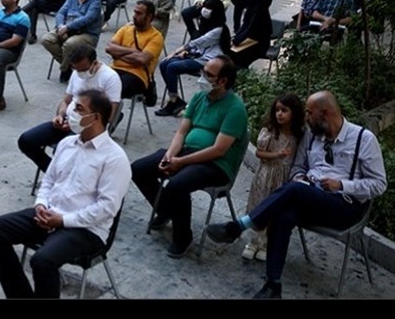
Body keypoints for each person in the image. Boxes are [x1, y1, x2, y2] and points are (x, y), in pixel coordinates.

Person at [206, 91, 387, 299]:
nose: (306, 118)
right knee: (283, 214)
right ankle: (273, 285)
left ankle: (239, 226)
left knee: (295, 189)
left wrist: (342, 185)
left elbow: (379, 184)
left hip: (345, 206)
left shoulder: (364, 139)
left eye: (309, 113)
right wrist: (302, 179)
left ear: (325, 113)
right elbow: (298, 168)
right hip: (310, 197)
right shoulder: (311, 135)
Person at [0, 89, 131, 299]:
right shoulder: (67, 143)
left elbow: (106, 208)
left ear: (95, 118)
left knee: (42, 261)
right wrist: (41, 205)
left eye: (79, 108)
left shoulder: (114, 158)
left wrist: (62, 220)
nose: (71, 112)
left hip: (86, 230)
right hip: (50, 214)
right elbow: (49, 181)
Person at [131, 55, 248, 258]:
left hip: (216, 164)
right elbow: (182, 132)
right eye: (203, 71)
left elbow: (219, 150)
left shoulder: (235, 108)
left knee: (177, 184)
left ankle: (182, 237)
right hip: (186, 152)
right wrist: (170, 156)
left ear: (223, 81)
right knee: (139, 169)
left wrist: (180, 162)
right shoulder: (199, 97)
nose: (202, 77)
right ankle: (166, 210)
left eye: (208, 74)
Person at [18, 46, 121, 172]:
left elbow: (108, 116)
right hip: (67, 121)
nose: (79, 72)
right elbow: (66, 100)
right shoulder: (77, 73)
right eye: (76, 69)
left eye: (83, 69)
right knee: (26, 141)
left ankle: (61, 175)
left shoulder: (110, 78)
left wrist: (78, 124)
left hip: (87, 129)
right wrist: (60, 115)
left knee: (62, 152)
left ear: (94, 63)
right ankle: (53, 172)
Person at [241, 94, 305, 262]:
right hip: (266, 174)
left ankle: (266, 243)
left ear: (294, 112)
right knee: (260, 204)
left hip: (284, 178)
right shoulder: (270, 131)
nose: (279, 114)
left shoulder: (298, 135)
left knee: (275, 209)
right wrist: (276, 154)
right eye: (277, 110)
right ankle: (254, 241)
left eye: (284, 110)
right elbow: (259, 153)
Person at [155, 0, 231, 117]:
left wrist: (179, 50)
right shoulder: (205, 22)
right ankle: (176, 99)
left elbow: (200, 41)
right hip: (197, 54)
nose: (205, 10)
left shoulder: (219, 29)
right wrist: (186, 52)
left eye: (209, 8)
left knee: (172, 67)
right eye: (205, 7)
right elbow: (196, 39)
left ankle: (173, 101)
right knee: (164, 63)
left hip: (208, 60)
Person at [41, 0, 103, 83]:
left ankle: (65, 69)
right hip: (66, 28)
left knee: (69, 44)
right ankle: (72, 66)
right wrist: (60, 26)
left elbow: (87, 19)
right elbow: (61, 13)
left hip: (87, 33)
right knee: (46, 39)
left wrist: (67, 28)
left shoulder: (95, 2)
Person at [105, 1, 164, 100]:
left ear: (149, 17)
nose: (134, 16)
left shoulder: (156, 37)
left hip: (137, 75)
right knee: (95, 83)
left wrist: (117, 55)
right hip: (115, 69)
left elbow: (141, 59)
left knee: (113, 88)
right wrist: (132, 51)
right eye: (135, 12)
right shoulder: (126, 29)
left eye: (139, 13)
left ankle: (112, 110)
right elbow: (109, 47)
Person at [230, 0, 272, 69]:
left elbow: (251, 28)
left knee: (236, 55)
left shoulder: (260, 9)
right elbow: (245, 24)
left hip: (259, 43)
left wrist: (237, 40)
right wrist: (236, 37)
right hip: (250, 39)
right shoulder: (252, 5)